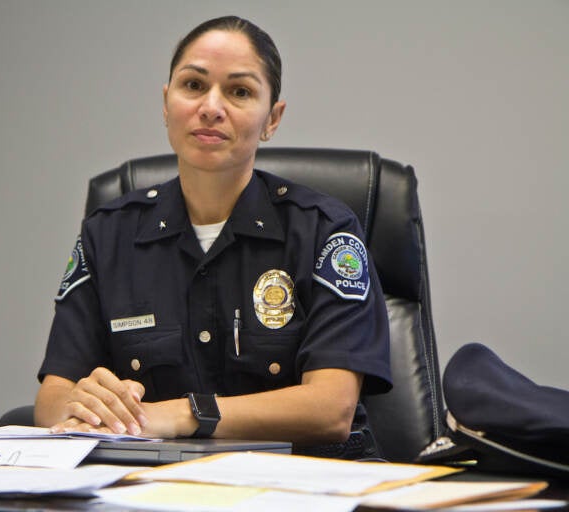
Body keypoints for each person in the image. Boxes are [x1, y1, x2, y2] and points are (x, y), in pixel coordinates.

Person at [35, 15, 391, 451]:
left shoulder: (324, 231)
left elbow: (331, 409)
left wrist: (185, 413)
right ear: (166, 104)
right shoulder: (108, 234)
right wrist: (85, 404)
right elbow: (51, 401)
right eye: (194, 85)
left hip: (303, 484)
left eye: (240, 91)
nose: (211, 107)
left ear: (272, 119)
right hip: (156, 484)